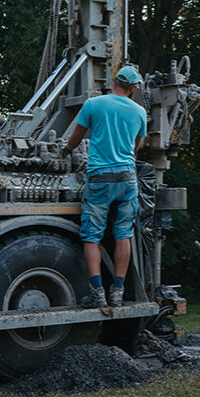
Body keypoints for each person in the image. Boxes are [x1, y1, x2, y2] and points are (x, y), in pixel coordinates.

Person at [66, 65, 147, 309]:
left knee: (92, 237)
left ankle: (97, 293)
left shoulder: (94, 104)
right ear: (133, 88)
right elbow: (137, 146)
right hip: (127, 178)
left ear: (115, 81)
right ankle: (118, 293)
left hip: (100, 177)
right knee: (123, 235)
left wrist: (67, 151)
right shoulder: (139, 111)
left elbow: (75, 139)